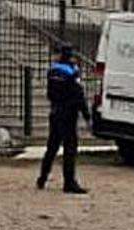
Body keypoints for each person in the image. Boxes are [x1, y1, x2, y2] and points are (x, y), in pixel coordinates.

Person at [35, 44, 90, 194]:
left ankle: (42, 177)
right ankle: (69, 182)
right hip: (69, 113)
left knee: (52, 147)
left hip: (55, 112)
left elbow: (50, 93)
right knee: (70, 148)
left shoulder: (53, 70)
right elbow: (79, 94)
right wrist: (86, 115)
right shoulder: (72, 71)